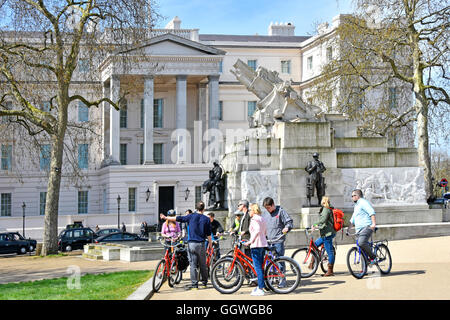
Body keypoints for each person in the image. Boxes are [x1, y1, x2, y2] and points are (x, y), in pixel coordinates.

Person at [160, 201, 212, 290]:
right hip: (201, 244)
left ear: (196, 208)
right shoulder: (206, 219)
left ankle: (194, 285)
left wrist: (165, 217)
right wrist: (210, 244)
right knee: (203, 264)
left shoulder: (191, 216)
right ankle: (204, 283)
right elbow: (208, 234)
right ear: (204, 209)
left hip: (192, 244)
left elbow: (178, 218)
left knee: (193, 265)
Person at [262, 197, 293, 287]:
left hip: (278, 240)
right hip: (268, 240)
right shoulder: (265, 214)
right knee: (268, 261)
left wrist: (287, 227)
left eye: (268, 207)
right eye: (266, 208)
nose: (267, 210)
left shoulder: (281, 211)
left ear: (273, 205)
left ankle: (282, 279)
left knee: (279, 260)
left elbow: (289, 222)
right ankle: (271, 278)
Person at [243, 203, 268, 296]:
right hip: (262, 244)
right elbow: (265, 231)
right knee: (260, 267)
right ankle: (261, 286)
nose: (249, 212)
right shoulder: (262, 218)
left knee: (257, 267)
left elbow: (257, 230)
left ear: (253, 210)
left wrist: (250, 241)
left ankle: (261, 288)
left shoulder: (254, 219)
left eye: (250, 210)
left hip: (256, 244)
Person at [349, 189, 377, 264]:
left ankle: (373, 257)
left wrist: (373, 224)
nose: (352, 197)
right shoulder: (356, 205)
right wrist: (348, 230)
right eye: (351, 196)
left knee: (361, 243)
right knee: (360, 248)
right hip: (358, 230)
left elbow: (371, 212)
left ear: (357, 196)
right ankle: (364, 269)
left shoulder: (363, 202)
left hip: (367, 227)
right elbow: (353, 220)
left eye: (353, 196)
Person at [311, 196, 336, 276]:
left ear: (323, 201)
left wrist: (315, 224)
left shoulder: (326, 209)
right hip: (325, 233)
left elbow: (323, 220)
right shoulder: (328, 209)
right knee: (314, 245)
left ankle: (330, 271)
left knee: (330, 252)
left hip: (327, 234)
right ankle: (313, 261)